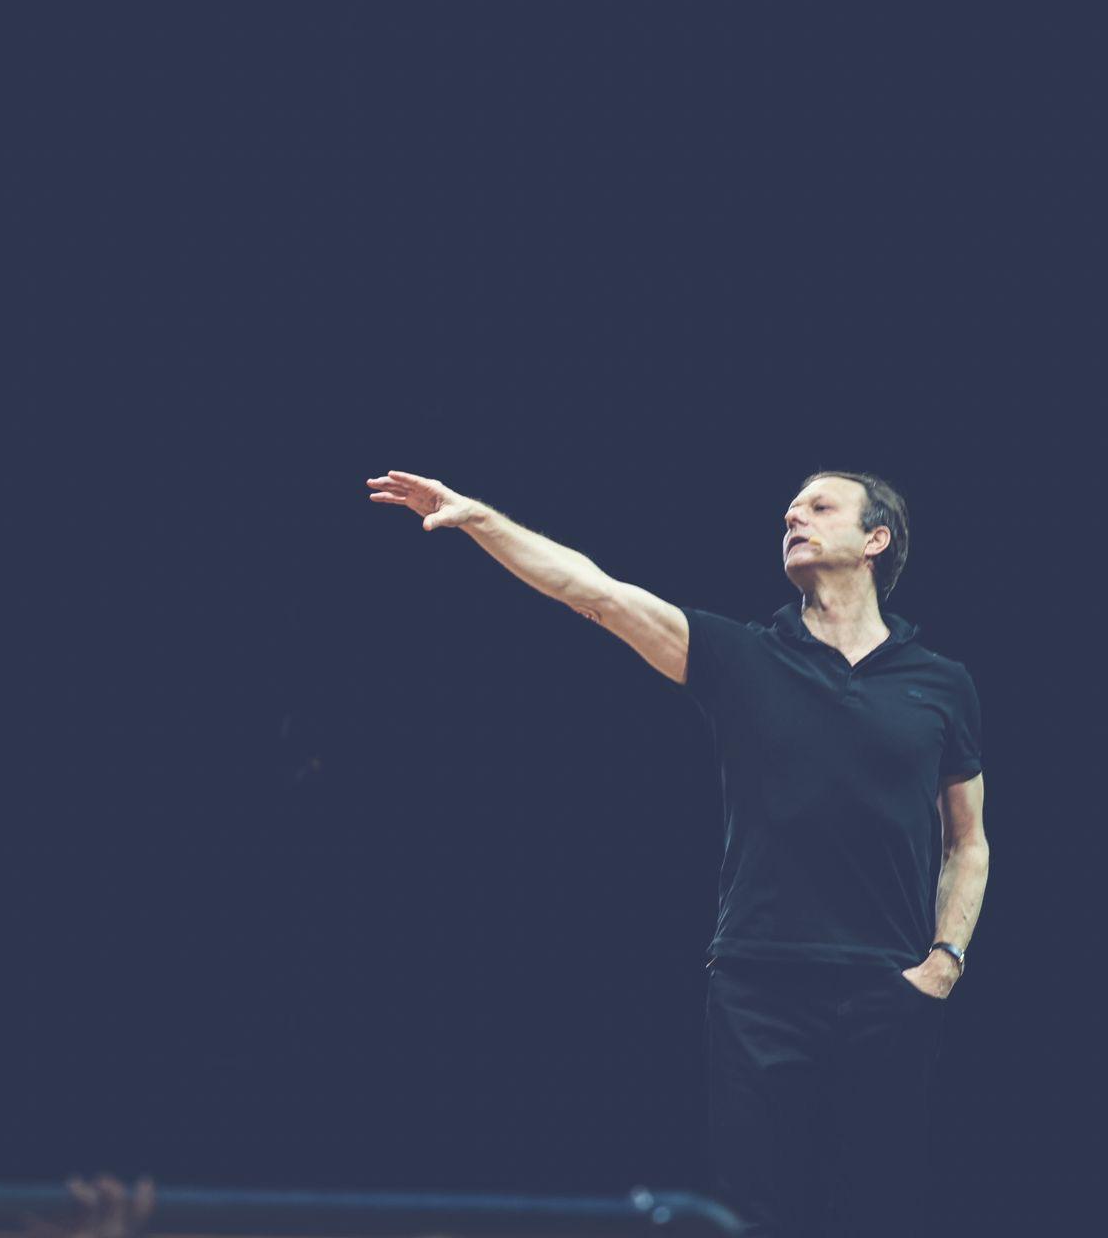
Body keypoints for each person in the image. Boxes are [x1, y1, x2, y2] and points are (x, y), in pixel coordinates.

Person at [366, 468, 988, 1238]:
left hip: (888, 991)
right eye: (789, 508)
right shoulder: (743, 657)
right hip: (759, 991)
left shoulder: (941, 684)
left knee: (879, 1212)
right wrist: (479, 520)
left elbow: (968, 839)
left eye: (820, 506)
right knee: (751, 1216)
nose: (794, 514)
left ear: (875, 540)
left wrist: (943, 961)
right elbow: (593, 591)